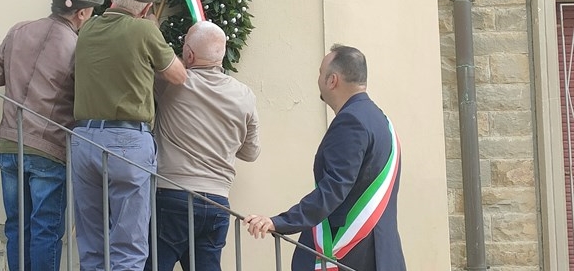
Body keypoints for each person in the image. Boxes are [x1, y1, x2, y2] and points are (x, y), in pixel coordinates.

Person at [0, 0, 104, 271]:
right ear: (82, 12)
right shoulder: (78, 47)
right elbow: (84, 100)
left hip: (9, 145)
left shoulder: (19, 30)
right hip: (50, 149)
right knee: (45, 230)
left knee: (15, 227)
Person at [244, 44, 406, 271]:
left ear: (332, 80)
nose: (318, 79)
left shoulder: (351, 122)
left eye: (321, 73)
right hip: (382, 253)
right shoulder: (379, 120)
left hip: (351, 254)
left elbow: (334, 188)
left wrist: (280, 222)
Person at [71, 0, 187, 271]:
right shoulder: (144, 30)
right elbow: (178, 76)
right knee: (129, 249)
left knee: (92, 247)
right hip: (127, 141)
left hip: (84, 138)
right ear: (147, 7)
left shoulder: (88, 28)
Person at [145, 21, 261, 271]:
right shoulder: (245, 96)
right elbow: (251, 152)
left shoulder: (173, 83)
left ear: (188, 54)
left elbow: (152, 60)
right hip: (218, 203)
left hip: (172, 194)